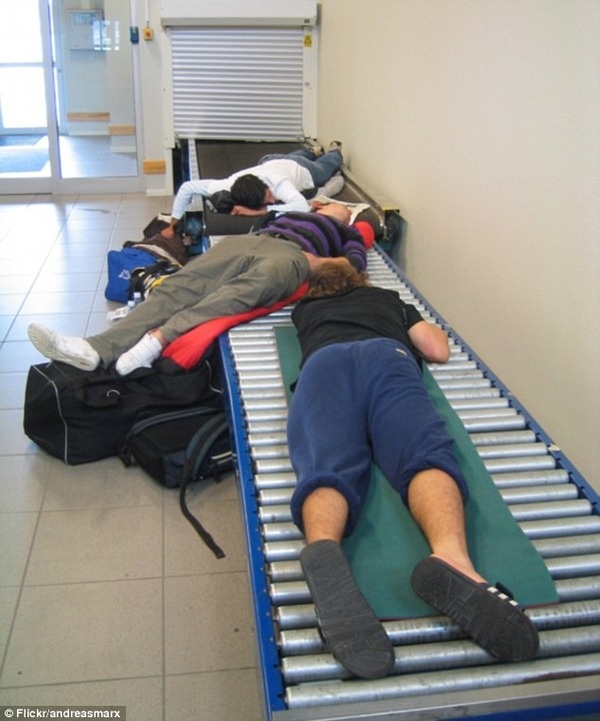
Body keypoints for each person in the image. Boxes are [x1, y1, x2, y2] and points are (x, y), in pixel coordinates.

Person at [286, 262, 540, 680]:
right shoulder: (387, 299)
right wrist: (417, 324)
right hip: (387, 357)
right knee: (423, 452)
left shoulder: (305, 311)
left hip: (323, 364)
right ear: (360, 279)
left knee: (326, 462)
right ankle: (453, 558)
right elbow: (437, 350)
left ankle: (325, 548)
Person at [27, 206, 367, 376]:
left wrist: (317, 260)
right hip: (249, 241)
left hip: (293, 256)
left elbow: (353, 264)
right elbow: (258, 218)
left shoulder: (345, 232)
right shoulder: (291, 212)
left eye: (342, 212)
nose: (334, 211)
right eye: (330, 208)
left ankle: (158, 339)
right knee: (179, 285)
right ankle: (95, 347)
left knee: (241, 292)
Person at [160, 143, 344, 238]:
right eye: (266, 201)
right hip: (271, 160)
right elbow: (187, 187)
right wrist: (173, 225)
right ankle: (311, 151)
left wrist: (263, 210)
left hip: (302, 169)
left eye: (269, 196)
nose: (272, 200)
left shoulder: (279, 184)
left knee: (328, 167)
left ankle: (334, 149)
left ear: (266, 186)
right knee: (292, 157)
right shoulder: (228, 184)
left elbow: (302, 206)